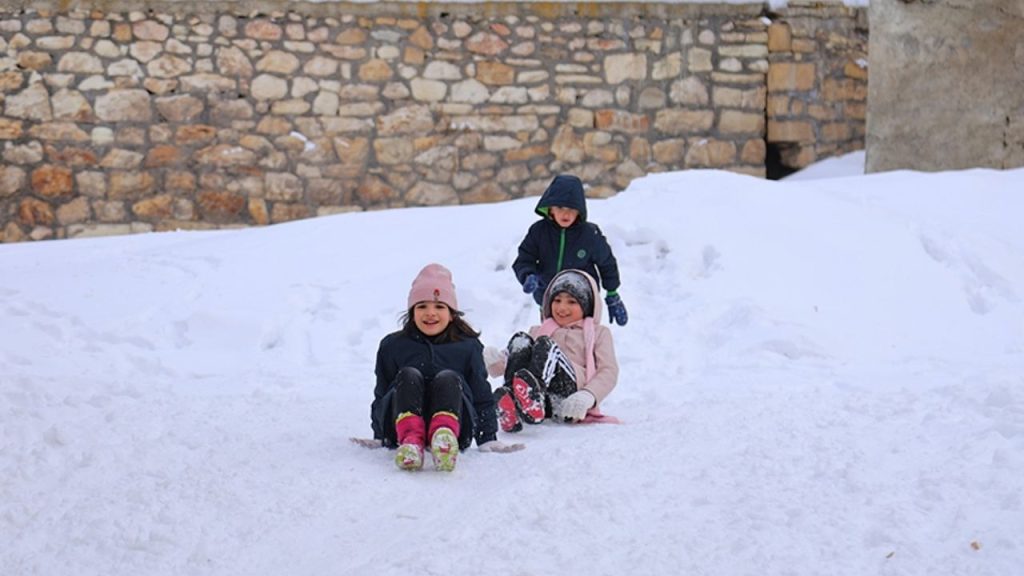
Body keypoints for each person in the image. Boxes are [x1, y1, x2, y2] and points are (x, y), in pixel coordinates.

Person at [370, 263, 523, 472]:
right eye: (422, 306)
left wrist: (488, 437)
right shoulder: (393, 346)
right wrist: (380, 435)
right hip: (400, 429)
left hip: (456, 428)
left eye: (439, 306)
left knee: (448, 378)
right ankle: (411, 439)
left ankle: (443, 436)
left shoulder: (467, 346)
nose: (430, 313)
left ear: (452, 314)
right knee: (408, 374)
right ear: (412, 312)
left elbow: (480, 394)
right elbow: (382, 393)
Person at [484, 269, 619, 432]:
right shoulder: (538, 330)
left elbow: (608, 371)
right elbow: (512, 359)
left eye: (572, 302)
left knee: (545, 345)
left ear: (587, 305)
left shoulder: (598, 333)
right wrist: (494, 361)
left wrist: (588, 395)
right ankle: (513, 401)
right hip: (544, 405)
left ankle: (534, 396)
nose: (562, 307)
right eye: (557, 300)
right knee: (521, 340)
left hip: (569, 398)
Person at [512, 174, 628, 326]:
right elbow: (524, 259)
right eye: (560, 207)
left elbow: (606, 263)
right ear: (550, 208)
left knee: (579, 343)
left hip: (581, 304)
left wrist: (612, 293)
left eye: (572, 209)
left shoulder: (589, 234)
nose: (565, 214)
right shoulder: (539, 231)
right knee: (552, 341)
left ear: (579, 211)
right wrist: (528, 275)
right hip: (549, 302)